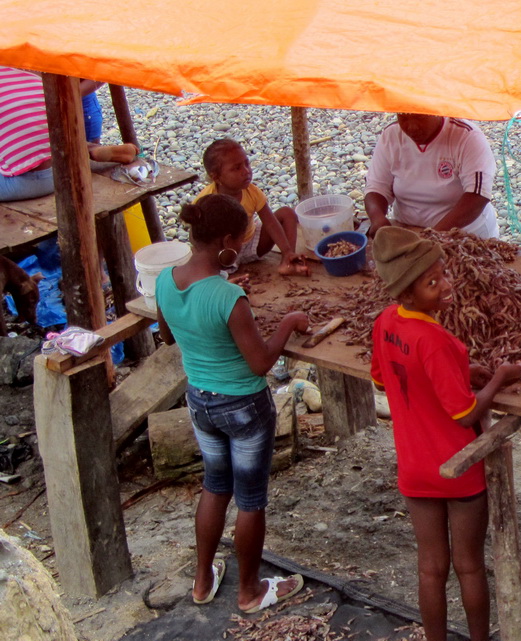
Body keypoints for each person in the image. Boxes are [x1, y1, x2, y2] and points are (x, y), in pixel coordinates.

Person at [156, 194, 309, 613]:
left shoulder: (166, 281)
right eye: (239, 243)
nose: (241, 249)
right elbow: (260, 362)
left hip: (200, 402)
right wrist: (288, 325)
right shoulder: (228, 299)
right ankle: (249, 591)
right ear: (225, 241)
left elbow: (168, 337)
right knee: (250, 499)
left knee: (215, 485)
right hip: (242, 406)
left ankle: (203, 580)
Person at [369, 226, 521, 641]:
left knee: (430, 566)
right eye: (432, 283)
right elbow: (465, 412)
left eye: (444, 275)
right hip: (459, 466)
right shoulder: (434, 339)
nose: (445, 287)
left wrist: (458, 373)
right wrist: (500, 378)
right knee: (469, 564)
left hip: (415, 468)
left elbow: (384, 380)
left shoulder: (386, 323)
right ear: (406, 295)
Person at [1, 67, 138, 202]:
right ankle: (91, 150)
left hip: (40, 180)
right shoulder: (24, 69)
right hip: (62, 160)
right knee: (39, 137)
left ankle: (82, 153)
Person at [364, 113, 499, 239]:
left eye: (420, 117)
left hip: (465, 234)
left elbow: (477, 196)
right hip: (408, 229)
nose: (412, 127)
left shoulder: (467, 136)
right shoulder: (391, 135)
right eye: (403, 117)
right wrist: (378, 218)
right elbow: (376, 187)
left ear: (437, 110)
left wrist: (434, 235)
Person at [195, 138, 308, 275]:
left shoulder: (252, 191)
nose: (246, 171)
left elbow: (270, 223)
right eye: (236, 168)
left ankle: (288, 260)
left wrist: (286, 250)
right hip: (224, 254)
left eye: (247, 164)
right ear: (216, 177)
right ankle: (221, 277)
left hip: (251, 244)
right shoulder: (206, 201)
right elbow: (198, 240)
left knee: (287, 213)